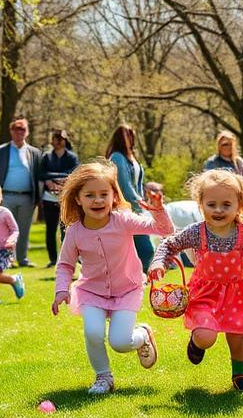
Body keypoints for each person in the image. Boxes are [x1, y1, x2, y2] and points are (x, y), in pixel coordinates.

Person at [149, 169, 243, 393]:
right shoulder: (196, 232)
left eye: (226, 205)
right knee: (206, 336)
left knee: (237, 340)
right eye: (212, 204)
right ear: (201, 204)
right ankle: (197, 342)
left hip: (238, 294)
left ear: (238, 205)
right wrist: (158, 262)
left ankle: (240, 374)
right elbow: (168, 245)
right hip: (204, 293)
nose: (218, 210)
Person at [52, 162, 174, 395]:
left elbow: (164, 230)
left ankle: (142, 335)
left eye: (103, 195)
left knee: (120, 343)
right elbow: (65, 264)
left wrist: (158, 210)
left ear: (113, 197)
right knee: (93, 333)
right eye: (90, 195)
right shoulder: (75, 231)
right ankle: (103, 377)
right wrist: (61, 290)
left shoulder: (123, 221)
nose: (97, 200)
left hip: (126, 290)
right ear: (78, 199)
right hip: (91, 292)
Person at [0, 116, 42, 267]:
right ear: (11, 131)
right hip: (5, 197)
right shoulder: (1, 152)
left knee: (23, 230)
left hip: (27, 198)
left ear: (27, 132)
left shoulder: (35, 153)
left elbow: (39, 177)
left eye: (22, 129)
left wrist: (38, 198)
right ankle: (7, 259)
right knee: (6, 230)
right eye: (16, 129)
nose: (19, 132)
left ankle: (22, 259)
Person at [106, 124, 154, 272]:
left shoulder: (131, 156)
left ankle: (137, 278)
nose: (132, 137)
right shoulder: (117, 157)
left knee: (138, 250)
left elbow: (138, 183)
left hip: (139, 208)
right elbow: (124, 186)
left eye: (132, 134)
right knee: (146, 250)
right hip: (128, 210)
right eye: (128, 135)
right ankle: (139, 277)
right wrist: (139, 204)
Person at [40, 128, 79, 268]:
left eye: (60, 138)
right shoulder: (46, 157)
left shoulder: (72, 157)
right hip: (49, 197)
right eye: (55, 138)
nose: (57, 141)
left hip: (65, 198)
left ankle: (67, 260)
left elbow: (74, 173)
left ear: (65, 140)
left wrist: (61, 181)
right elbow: (42, 173)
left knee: (66, 229)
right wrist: (49, 182)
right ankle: (52, 259)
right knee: (50, 229)